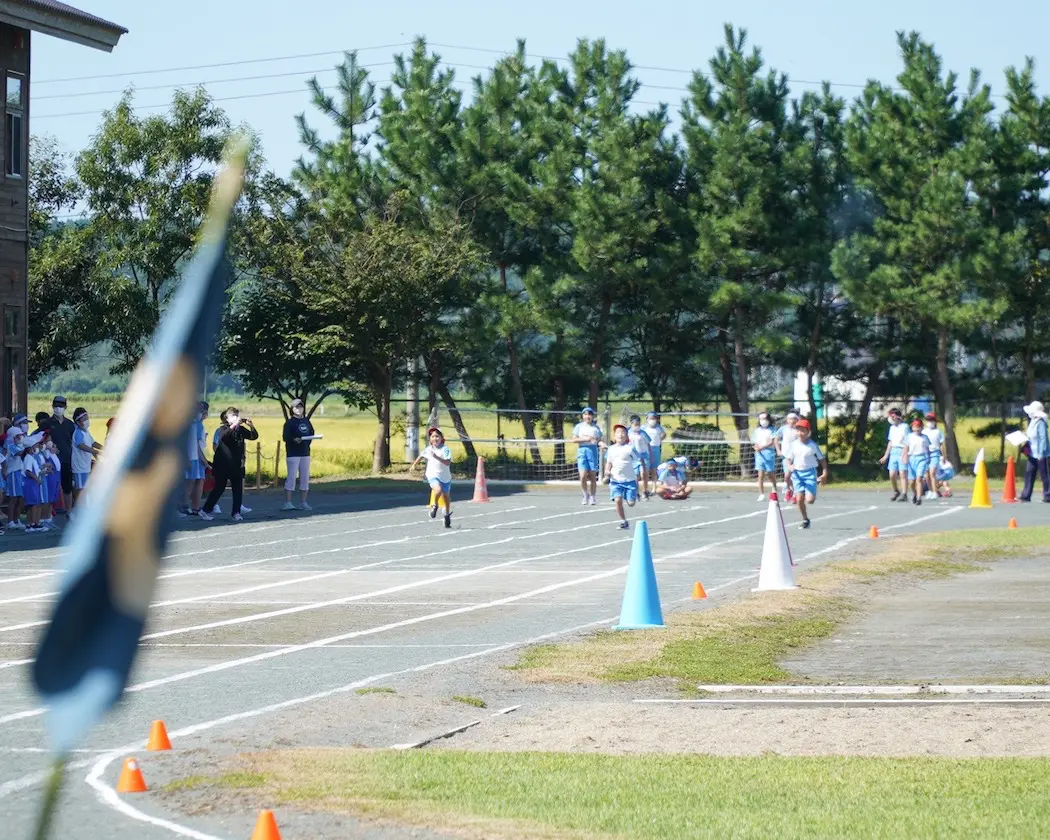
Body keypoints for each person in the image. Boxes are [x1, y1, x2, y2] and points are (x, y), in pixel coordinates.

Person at [201, 407, 258, 522]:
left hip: (236, 465)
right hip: (222, 465)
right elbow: (225, 437)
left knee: (237, 489)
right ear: (227, 418)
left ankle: (236, 512)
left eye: (237, 415)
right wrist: (234, 425)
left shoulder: (240, 430)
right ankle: (205, 510)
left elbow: (253, 436)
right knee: (219, 488)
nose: (237, 418)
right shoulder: (223, 429)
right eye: (233, 416)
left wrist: (251, 426)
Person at [782, 418, 827, 530]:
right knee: (799, 499)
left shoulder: (812, 445)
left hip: (810, 473)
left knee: (810, 500)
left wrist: (825, 473)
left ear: (808, 432)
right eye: (798, 430)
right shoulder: (793, 445)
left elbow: (822, 460)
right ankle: (805, 519)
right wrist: (790, 465)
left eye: (803, 430)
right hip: (797, 474)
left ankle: (810, 490)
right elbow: (788, 459)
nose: (800, 433)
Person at [411, 427, 454, 528]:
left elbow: (447, 462)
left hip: (445, 477)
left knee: (446, 498)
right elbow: (421, 455)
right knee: (437, 490)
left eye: (437, 436)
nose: (435, 438)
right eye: (433, 436)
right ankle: (434, 506)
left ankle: (446, 515)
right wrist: (414, 465)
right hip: (432, 475)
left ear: (441, 438)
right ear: (430, 439)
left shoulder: (445, 449)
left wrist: (436, 457)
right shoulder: (429, 449)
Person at [604, 423, 640, 530]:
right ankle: (623, 521)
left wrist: (638, 472)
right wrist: (607, 471)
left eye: (623, 432)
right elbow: (609, 462)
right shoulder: (611, 449)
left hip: (629, 480)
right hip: (616, 480)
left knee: (631, 503)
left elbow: (638, 460)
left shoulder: (630, 448)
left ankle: (634, 493)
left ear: (627, 436)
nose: (620, 435)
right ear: (614, 436)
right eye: (618, 433)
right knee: (618, 500)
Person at [282, 398, 315, 511]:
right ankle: (288, 502)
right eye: (296, 407)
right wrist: (294, 440)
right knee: (291, 477)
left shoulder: (306, 421)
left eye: (300, 407)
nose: (299, 409)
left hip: (305, 452)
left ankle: (303, 502)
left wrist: (306, 443)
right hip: (293, 453)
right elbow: (285, 437)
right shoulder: (289, 423)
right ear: (292, 409)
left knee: (305, 477)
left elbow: (311, 433)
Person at [48, 395, 75, 516]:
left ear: (65, 407)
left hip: (67, 458)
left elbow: (74, 442)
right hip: (52, 461)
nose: (58, 408)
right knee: (52, 486)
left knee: (67, 486)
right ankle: (49, 513)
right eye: (56, 406)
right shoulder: (48, 423)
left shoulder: (70, 424)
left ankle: (68, 511)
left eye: (61, 406)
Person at [182, 401, 210, 517]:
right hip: (193, 457)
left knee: (198, 481)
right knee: (191, 482)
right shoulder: (194, 424)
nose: (202, 414)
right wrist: (204, 460)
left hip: (196, 456)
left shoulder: (197, 424)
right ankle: (184, 506)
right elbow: (197, 444)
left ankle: (195, 507)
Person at [571, 407, 604, 506]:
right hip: (582, 450)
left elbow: (598, 440)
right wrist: (586, 439)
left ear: (592, 416)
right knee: (583, 476)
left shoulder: (596, 428)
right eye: (585, 414)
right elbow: (574, 439)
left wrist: (601, 444)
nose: (587, 416)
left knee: (593, 476)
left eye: (589, 414)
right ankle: (585, 495)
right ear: (582, 416)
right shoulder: (579, 427)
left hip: (592, 451)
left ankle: (593, 496)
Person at [71, 407, 102, 506]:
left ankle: (83, 508)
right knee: (80, 489)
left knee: (85, 488)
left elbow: (92, 443)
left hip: (86, 466)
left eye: (87, 417)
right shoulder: (78, 433)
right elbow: (81, 445)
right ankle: (78, 510)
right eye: (84, 419)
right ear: (78, 422)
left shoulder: (86, 432)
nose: (87, 420)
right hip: (79, 467)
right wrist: (95, 452)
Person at [1020, 400, 1050, 503]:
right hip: (1032, 453)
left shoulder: (1041, 422)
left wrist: (1041, 454)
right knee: (1029, 474)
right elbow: (1030, 436)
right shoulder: (1032, 422)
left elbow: (1043, 439)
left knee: (1045, 476)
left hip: (1042, 454)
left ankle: (1048, 495)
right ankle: (1025, 495)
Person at [878, 407, 908, 503]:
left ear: (898, 417)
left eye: (893, 416)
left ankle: (904, 493)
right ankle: (896, 491)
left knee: (903, 473)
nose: (891, 418)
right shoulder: (892, 428)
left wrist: (905, 454)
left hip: (902, 450)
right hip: (894, 452)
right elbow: (890, 442)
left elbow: (907, 441)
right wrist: (886, 455)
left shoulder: (905, 427)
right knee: (892, 474)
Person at [775, 411, 801, 503]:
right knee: (787, 476)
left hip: (796, 456)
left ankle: (794, 493)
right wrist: (778, 450)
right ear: (787, 420)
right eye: (790, 419)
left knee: (795, 475)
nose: (792, 421)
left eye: (794, 419)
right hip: (786, 456)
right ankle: (789, 489)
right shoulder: (783, 429)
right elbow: (776, 439)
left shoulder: (799, 429)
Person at [904, 418, 930, 505]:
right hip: (912, 458)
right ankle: (915, 493)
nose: (917, 429)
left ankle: (919, 498)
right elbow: (906, 447)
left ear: (922, 428)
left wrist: (928, 459)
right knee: (911, 481)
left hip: (921, 458)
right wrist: (905, 457)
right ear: (912, 428)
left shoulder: (925, 437)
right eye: (915, 427)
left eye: (919, 427)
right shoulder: (910, 436)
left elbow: (927, 449)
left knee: (919, 478)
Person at [4, 424, 26, 530]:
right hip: (12, 473)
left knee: (20, 498)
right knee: (13, 498)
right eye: (18, 436)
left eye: (21, 435)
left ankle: (17, 520)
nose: (21, 437)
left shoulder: (20, 445)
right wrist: (28, 448)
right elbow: (19, 453)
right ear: (13, 437)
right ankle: (10, 521)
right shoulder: (11, 446)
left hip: (19, 473)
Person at [752, 411, 777, 501]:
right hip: (759, 454)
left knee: (770, 473)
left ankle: (774, 489)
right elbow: (754, 442)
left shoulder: (772, 429)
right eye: (761, 419)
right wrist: (756, 447)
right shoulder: (757, 430)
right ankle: (761, 493)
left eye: (765, 419)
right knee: (760, 474)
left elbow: (772, 441)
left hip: (769, 453)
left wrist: (763, 447)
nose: (763, 421)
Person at [627, 414, 653, 499]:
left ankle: (645, 491)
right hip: (633, 456)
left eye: (638, 424)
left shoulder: (643, 433)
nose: (637, 426)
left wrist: (650, 455)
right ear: (631, 424)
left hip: (643, 456)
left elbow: (648, 444)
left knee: (643, 473)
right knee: (635, 475)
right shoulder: (627, 433)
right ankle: (636, 492)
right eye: (635, 424)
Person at [22, 437, 45, 533]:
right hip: (30, 483)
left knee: (35, 503)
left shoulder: (31, 458)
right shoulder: (28, 458)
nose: (37, 447)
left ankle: (33, 523)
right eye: (35, 445)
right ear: (30, 447)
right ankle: (33, 524)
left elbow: (36, 471)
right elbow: (28, 472)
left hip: (33, 482)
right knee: (34, 504)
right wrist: (37, 479)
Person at [922, 413, 944, 500]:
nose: (929, 422)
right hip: (926, 454)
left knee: (932, 473)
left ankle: (935, 491)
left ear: (935, 421)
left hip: (935, 453)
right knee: (927, 474)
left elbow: (941, 445)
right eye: (928, 420)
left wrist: (944, 456)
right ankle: (930, 490)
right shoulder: (924, 431)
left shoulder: (938, 432)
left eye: (931, 420)